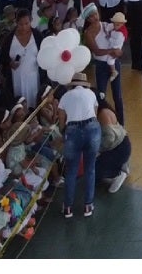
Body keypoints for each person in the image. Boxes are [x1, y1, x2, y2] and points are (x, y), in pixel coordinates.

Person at [57, 73, 101, 219]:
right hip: (92, 129)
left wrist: (63, 131)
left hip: (73, 131)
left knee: (71, 171)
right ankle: (88, 205)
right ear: (84, 84)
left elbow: (61, 118)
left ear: (72, 85)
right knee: (90, 169)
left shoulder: (65, 96)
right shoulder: (91, 94)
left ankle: (68, 208)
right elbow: (95, 113)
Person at [86, 11, 126, 124]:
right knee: (101, 96)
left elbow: (120, 33)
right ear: (88, 19)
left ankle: (121, 124)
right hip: (101, 66)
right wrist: (112, 51)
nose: (95, 17)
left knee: (117, 96)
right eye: (92, 16)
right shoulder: (88, 33)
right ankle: (103, 123)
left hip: (114, 62)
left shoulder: (106, 25)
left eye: (96, 14)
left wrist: (119, 51)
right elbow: (97, 51)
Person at [2, 9, 42, 108]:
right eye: (21, 24)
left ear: (31, 20)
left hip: (34, 79)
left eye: (26, 23)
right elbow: (3, 56)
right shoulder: (9, 39)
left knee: (34, 102)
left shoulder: (37, 36)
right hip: (16, 80)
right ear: (16, 22)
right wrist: (10, 63)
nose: (24, 27)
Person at [96, 100, 132, 193]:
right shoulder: (105, 110)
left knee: (94, 170)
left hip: (118, 149)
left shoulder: (103, 114)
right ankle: (122, 164)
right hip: (122, 145)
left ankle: (117, 174)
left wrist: (98, 150)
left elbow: (109, 138)